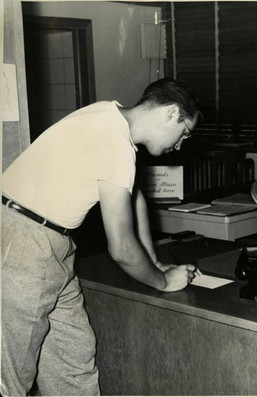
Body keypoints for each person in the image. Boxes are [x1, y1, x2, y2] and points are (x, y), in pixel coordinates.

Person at [1, 78, 202, 396]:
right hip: (26, 240)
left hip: (53, 243)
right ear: (170, 113)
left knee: (73, 361)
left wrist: (154, 263)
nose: (179, 145)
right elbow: (121, 248)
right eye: (184, 133)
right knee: (11, 378)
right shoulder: (115, 143)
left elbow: (134, 196)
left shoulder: (107, 115)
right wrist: (163, 282)